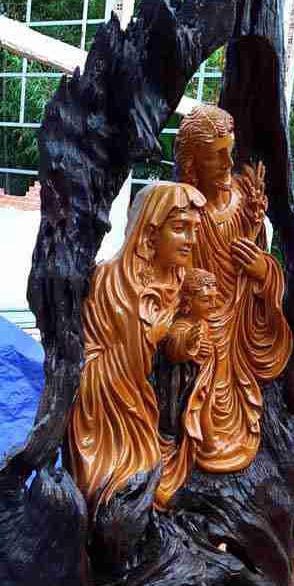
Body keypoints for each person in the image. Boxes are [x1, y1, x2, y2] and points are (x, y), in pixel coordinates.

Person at [66, 181, 205, 511]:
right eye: (180, 228)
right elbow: (91, 357)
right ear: (151, 232)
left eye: (195, 230)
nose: (191, 240)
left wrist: (186, 342)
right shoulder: (111, 281)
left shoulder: (183, 281)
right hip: (112, 417)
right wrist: (151, 337)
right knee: (121, 498)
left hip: (166, 415)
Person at [173, 103, 292, 474]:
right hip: (205, 316)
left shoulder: (245, 197)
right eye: (216, 157)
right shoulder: (186, 211)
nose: (228, 164)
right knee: (206, 394)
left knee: (242, 388)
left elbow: (262, 261)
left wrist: (262, 269)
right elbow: (173, 277)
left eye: (231, 152)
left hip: (243, 321)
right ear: (193, 164)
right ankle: (204, 442)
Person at [156, 269, 219, 506]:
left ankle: (198, 451)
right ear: (188, 302)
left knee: (200, 419)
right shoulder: (180, 326)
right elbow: (175, 346)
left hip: (198, 388)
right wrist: (190, 345)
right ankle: (175, 460)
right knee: (181, 423)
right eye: (205, 300)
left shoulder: (202, 324)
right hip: (179, 390)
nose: (212, 304)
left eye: (214, 298)